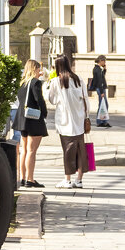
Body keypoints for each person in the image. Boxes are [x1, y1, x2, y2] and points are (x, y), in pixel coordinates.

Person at [46, 55, 89, 189]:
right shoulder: (78, 79)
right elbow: (86, 99)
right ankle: (79, 180)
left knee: (67, 150)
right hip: (79, 120)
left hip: (64, 122)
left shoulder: (55, 82)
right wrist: (86, 116)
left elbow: (51, 100)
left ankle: (67, 179)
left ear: (58, 66)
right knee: (80, 150)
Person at [16, 59, 48, 188]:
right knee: (32, 151)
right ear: (34, 69)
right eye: (38, 68)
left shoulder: (22, 83)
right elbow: (39, 100)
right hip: (33, 119)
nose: (39, 71)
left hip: (22, 119)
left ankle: (23, 178)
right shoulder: (35, 83)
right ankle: (30, 179)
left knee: (24, 150)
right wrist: (44, 113)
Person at [90, 55, 111, 128]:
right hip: (100, 89)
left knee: (103, 105)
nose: (105, 62)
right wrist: (102, 92)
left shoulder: (99, 69)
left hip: (101, 88)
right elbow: (99, 81)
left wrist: (104, 70)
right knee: (103, 105)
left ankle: (102, 121)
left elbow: (102, 77)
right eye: (104, 61)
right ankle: (100, 121)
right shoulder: (97, 69)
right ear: (101, 61)